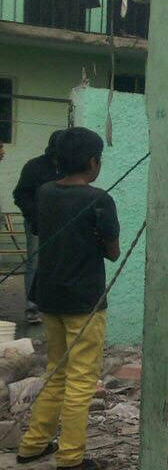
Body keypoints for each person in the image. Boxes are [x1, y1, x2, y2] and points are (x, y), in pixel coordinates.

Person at [16, 127, 118, 470]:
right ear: (93, 162)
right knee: (81, 379)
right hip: (84, 302)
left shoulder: (44, 193)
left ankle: (33, 444)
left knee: (55, 371)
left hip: (49, 298)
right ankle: (71, 458)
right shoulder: (99, 199)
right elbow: (112, 252)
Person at [13, 131, 65, 325]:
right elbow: (20, 194)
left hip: (63, 224)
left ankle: (55, 305)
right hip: (37, 223)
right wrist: (34, 215)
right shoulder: (34, 167)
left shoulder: (68, 168)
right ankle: (32, 308)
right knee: (35, 262)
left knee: (60, 261)